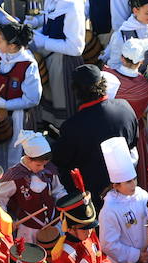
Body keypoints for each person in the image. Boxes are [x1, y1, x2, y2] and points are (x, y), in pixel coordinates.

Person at [52, 65, 140, 199]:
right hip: (125, 190)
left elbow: (60, 160)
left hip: (92, 198)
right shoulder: (125, 107)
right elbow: (133, 142)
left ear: (76, 91)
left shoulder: (72, 126)